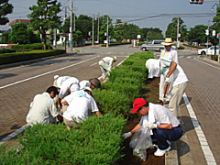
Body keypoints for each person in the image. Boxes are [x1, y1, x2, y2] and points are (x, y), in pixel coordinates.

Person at [159, 38, 178, 103]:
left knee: (169, 84)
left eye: (167, 45)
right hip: (163, 69)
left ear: (170, 45)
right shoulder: (163, 51)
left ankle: (167, 98)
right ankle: (161, 97)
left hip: (169, 69)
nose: (166, 47)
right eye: (165, 46)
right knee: (161, 84)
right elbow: (160, 60)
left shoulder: (174, 52)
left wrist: (169, 73)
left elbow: (175, 63)